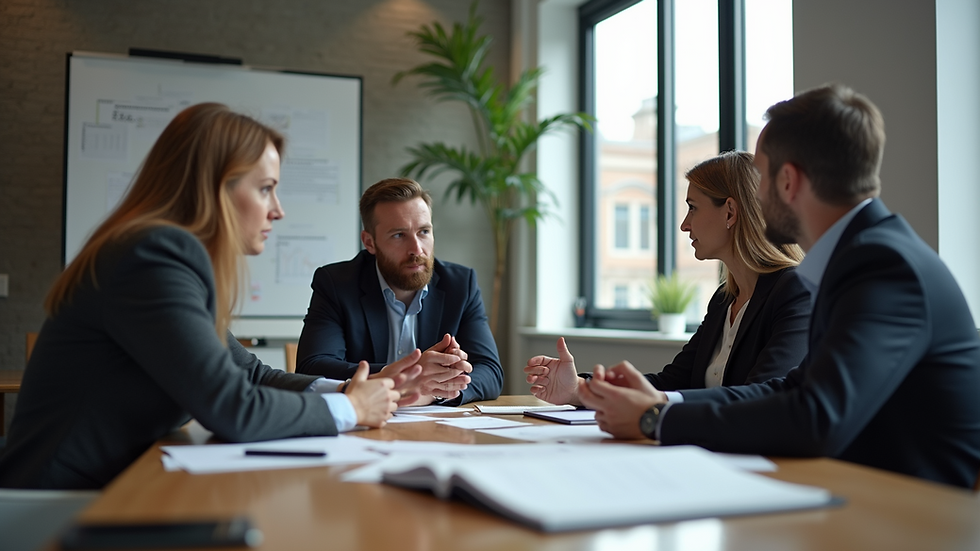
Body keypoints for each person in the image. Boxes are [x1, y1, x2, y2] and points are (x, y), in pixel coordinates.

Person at [577, 84, 980, 489]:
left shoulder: (882, 266)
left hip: (913, 517)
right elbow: (792, 390)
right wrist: (660, 405)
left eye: (761, 176)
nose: (756, 193)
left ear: (788, 181)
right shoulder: (860, 257)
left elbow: (817, 416)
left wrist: (655, 419)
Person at [0, 104, 420, 490]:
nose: (278, 209)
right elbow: (232, 407)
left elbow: (250, 375)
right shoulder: (151, 258)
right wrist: (350, 410)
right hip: (57, 503)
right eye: (265, 189)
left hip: (117, 487)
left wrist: (353, 389)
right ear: (215, 187)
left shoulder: (163, 255)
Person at [525, 151, 810, 405]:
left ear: (731, 212)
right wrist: (578, 389)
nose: (684, 225)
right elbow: (671, 383)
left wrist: (654, 406)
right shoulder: (724, 301)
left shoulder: (794, 291)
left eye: (693, 207)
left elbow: (762, 397)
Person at [296, 178, 503, 406]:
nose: (416, 249)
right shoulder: (336, 283)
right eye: (398, 235)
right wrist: (407, 376)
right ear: (370, 242)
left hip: (435, 429)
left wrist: (433, 390)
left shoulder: (460, 285)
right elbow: (312, 367)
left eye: (423, 232)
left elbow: (490, 371)